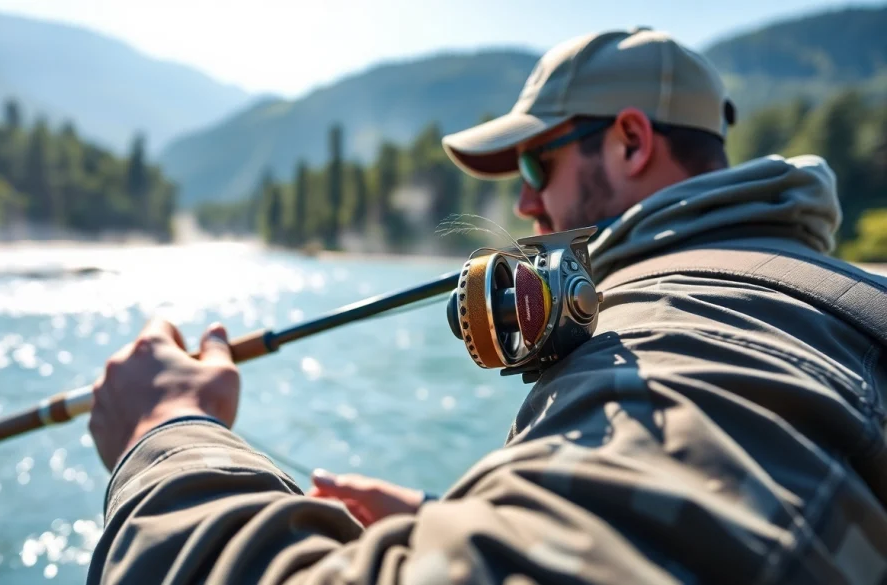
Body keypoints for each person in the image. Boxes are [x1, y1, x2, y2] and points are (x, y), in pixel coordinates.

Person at [86, 28, 887, 584]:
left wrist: (170, 437)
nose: (529, 205)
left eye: (537, 163)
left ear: (632, 142)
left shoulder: (674, 332)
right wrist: (453, 520)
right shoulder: (820, 302)